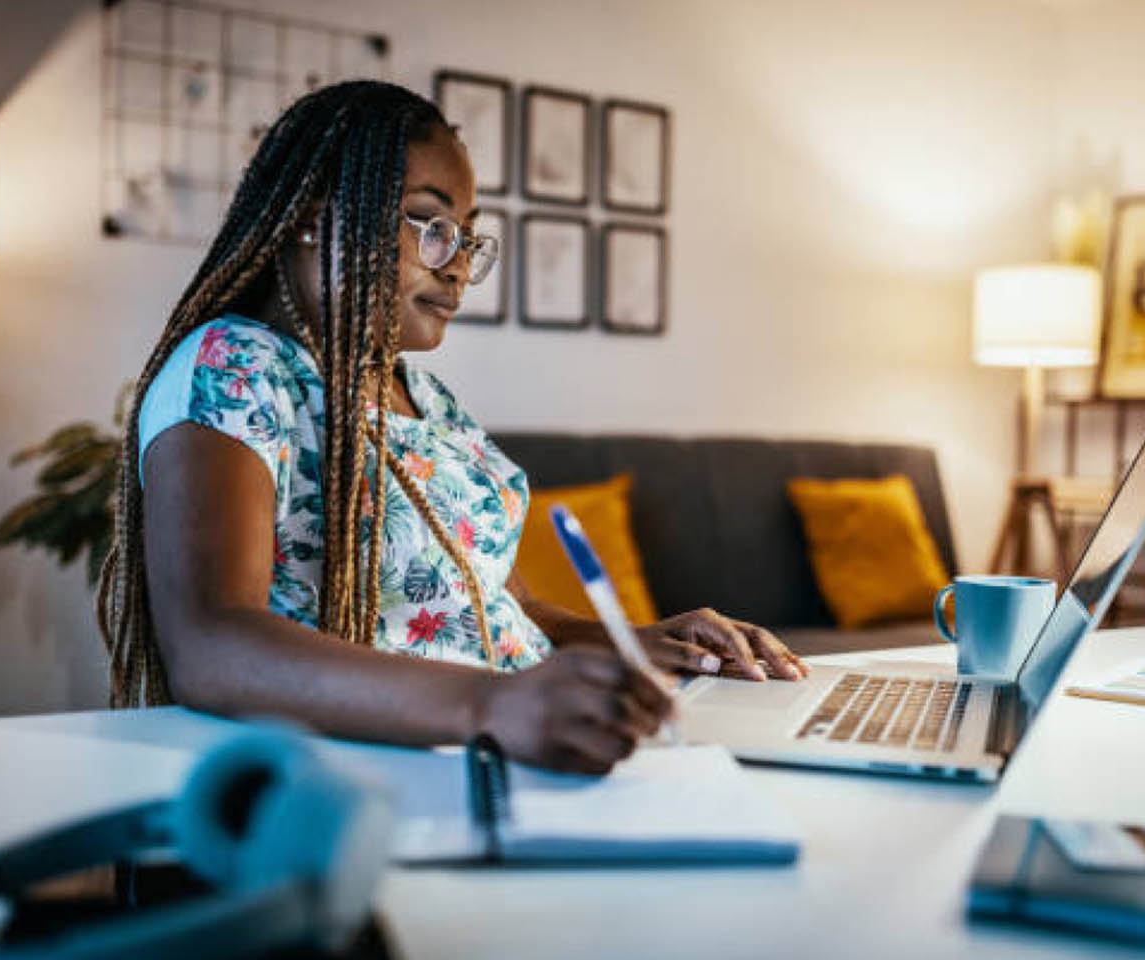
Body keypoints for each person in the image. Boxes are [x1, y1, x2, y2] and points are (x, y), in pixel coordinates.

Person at [98, 81, 807, 774]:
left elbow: (504, 601)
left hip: (507, 755)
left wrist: (638, 642)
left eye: (468, 237)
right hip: (379, 775)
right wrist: (490, 706)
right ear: (315, 215)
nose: (461, 265)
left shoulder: (427, 398)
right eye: (432, 226)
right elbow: (213, 645)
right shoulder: (235, 366)